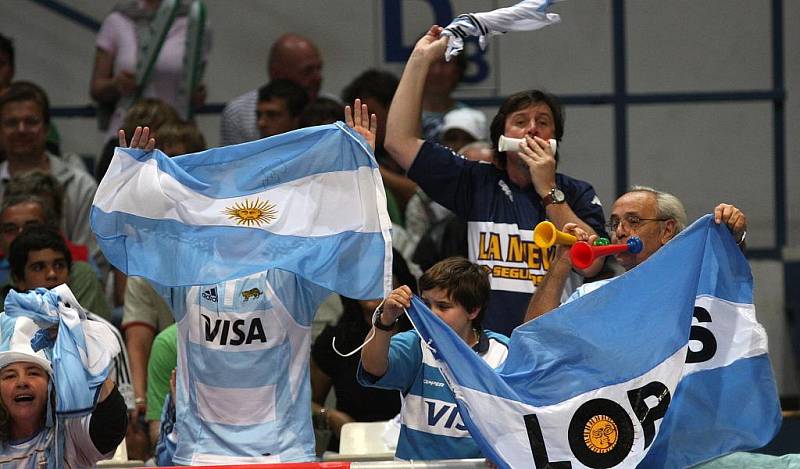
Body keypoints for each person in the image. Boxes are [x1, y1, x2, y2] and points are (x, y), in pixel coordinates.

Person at [112, 100, 383, 464]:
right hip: (200, 454)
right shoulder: (185, 272)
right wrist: (134, 180)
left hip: (282, 453)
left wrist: (359, 167)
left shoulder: (293, 272)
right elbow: (135, 234)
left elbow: (349, 239)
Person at [384, 26, 608, 336]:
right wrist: (421, 58)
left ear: (555, 139)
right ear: (501, 137)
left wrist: (548, 190)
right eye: (520, 122)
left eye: (543, 123)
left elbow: (590, 265)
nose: (532, 130)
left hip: (554, 347)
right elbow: (399, 141)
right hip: (485, 347)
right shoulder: (477, 181)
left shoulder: (575, 193)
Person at [359, 257, 509, 460]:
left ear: (473, 310)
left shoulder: (503, 353)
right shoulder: (416, 344)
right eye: (426, 304)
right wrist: (385, 320)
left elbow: (520, 419)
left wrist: (504, 449)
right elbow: (372, 366)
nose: (432, 314)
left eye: (443, 306)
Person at [524, 186, 747, 321]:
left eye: (633, 221)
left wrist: (733, 238)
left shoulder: (693, 287)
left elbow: (728, 286)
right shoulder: (592, 295)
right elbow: (531, 336)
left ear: (667, 230)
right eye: (614, 223)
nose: (620, 231)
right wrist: (562, 260)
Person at [310, 250, 415, 452]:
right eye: (362, 278)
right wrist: (330, 417)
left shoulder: (420, 337)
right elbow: (306, 404)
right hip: (352, 448)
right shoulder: (334, 340)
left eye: (379, 276)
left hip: (410, 449)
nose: (370, 285)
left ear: (399, 283)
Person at [0, 313, 128, 468]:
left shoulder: (70, 433)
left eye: (33, 373)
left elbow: (111, 423)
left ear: (51, 384)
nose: (22, 382)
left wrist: (85, 355)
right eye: (9, 376)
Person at [0, 82, 103, 274]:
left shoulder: (80, 186)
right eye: (11, 123)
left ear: (47, 128)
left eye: (31, 121)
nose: (21, 129)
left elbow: (92, 256)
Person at [89, 0, 211, 138]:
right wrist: (117, 84)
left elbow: (195, 81)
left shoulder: (196, 21)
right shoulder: (118, 20)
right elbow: (96, 88)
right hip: (128, 132)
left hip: (176, 136)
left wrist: (197, 93)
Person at [0, 195, 111, 320]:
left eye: (32, 227)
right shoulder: (8, 322)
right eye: (38, 268)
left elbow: (90, 330)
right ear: (18, 279)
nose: (52, 274)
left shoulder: (80, 274)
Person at [221, 33, 327, 145]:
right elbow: (233, 160)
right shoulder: (238, 113)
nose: (318, 78)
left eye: (319, 69)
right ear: (277, 73)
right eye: (308, 71)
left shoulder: (330, 108)